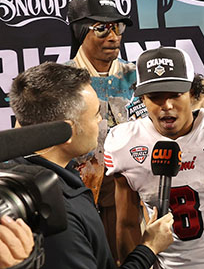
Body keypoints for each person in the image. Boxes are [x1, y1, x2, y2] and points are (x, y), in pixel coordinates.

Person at [66, 0, 204, 262]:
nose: (113, 35)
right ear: (79, 31)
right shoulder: (62, 86)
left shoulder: (141, 77)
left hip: (130, 203)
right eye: (101, 28)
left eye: (117, 26)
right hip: (78, 204)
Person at [104, 47, 204, 269]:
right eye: (155, 97)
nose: (166, 106)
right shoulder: (125, 144)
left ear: (192, 92)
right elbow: (128, 224)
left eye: (175, 94)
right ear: (142, 99)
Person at [7, 62, 175, 269]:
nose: (100, 122)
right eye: (96, 114)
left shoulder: (17, 176)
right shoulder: (56, 214)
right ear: (65, 131)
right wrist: (149, 248)